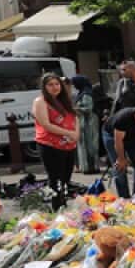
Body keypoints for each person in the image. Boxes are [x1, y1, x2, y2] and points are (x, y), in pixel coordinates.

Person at [32, 73, 78, 203]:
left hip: (68, 144)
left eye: (57, 84)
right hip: (50, 145)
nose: (55, 87)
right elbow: (46, 124)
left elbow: (75, 117)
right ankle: (57, 208)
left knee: (65, 179)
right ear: (44, 87)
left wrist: (76, 134)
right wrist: (68, 133)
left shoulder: (64, 100)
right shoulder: (40, 101)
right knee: (55, 179)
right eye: (50, 85)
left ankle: (63, 206)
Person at [102, 106, 135, 198]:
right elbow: (118, 141)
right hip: (112, 136)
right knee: (120, 168)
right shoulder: (123, 118)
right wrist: (121, 158)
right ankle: (124, 198)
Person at [69, 76, 102, 175]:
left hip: (89, 122)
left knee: (89, 145)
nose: (74, 86)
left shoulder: (86, 94)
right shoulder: (83, 92)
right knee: (86, 145)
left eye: (75, 83)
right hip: (85, 121)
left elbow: (88, 108)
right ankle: (88, 167)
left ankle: (91, 168)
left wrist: (75, 109)